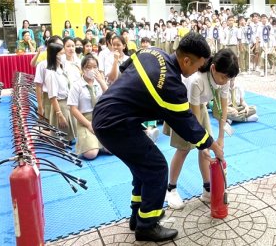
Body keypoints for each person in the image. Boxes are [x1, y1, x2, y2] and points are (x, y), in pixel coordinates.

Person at [92, 32, 224, 242]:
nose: (199, 69)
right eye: (198, 65)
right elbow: (188, 125)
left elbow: (126, 69)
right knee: (156, 168)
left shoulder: (151, 52)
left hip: (106, 114)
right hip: (115, 125)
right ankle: (147, 226)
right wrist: (213, 146)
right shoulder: (172, 84)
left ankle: (138, 215)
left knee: (142, 168)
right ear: (187, 60)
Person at [165, 48, 239, 210]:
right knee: (184, 148)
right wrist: (201, 143)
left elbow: (223, 110)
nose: (225, 81)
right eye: (223, 77)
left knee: (208, 145)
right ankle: (171, 189)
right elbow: (194, 119)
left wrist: (221, 138)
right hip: (182, 107)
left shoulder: (223, 79)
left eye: (228, 78)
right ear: (213, 68)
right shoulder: (197, 80)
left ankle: (207, 189)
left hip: (201, 105)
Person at [68, 54, 109, 159]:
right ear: (82, 69)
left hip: (100, 118)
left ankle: (99, 143)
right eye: (88, 67)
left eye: (95, 67)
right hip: (85, 120)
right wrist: (88, 124)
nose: (92, 70)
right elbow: (73, 109)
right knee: (91, 154)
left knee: (111, 150)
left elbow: (110, 97)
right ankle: (94, 144)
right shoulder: (76, 85)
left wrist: (101, 81)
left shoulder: (99, 82)